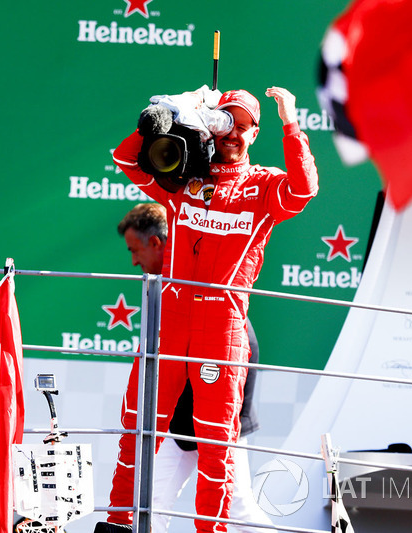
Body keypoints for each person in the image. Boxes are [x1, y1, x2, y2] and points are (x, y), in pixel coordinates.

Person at [101, 87, 318, 533]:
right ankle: (120, 524)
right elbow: (125, 159)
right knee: (137, 433)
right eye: (225, 122)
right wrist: (172, 112)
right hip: (173, 319)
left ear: (255, 133)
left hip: (222, 326)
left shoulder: (263, 186)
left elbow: (304, 190)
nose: (232, 133)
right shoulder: (185, 174)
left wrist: (291, 123)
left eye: (242, 126)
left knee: (217, 445)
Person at [116, 203, 275, 533]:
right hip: (181, 425)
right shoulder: (167, 287)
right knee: (149, 504)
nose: (133, 261)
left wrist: (224, 421)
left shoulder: (203, 281)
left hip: (218, 423)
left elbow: (244, 347)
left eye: (134, 250)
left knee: (239, 510)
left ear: (156, 244)